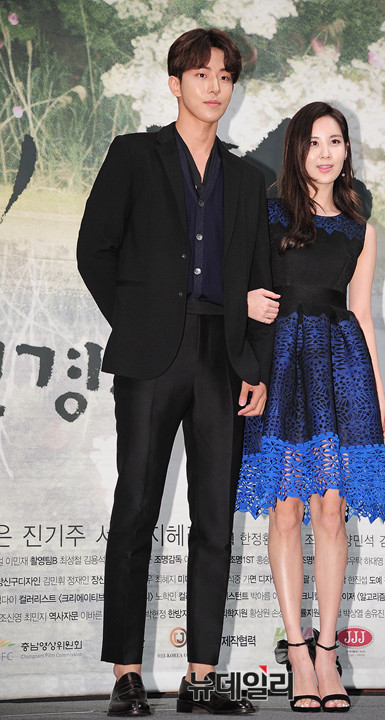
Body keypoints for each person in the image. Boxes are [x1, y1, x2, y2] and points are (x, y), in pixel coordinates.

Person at [77, 28, 274, 717]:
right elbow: (94, 250)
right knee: (135, 509)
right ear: (175, 84)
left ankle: (201, 678)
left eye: (225, 76)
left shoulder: (248, 178)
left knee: (215, 519)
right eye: (201, 75)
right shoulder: (134, 155)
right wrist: (138, 321)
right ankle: (126, 674)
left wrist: (253, 364)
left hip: (222, 357)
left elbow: (262, 281)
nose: (215, 87)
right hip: (150, 357)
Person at [238, 102, 385, 713]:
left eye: (335, 142)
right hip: (280, 365)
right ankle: (297, 653)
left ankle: (328, 654)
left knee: (332, 511)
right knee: (286, 509)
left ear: (346, 151)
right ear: (295, 149)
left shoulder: (361, 229)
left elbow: (364, 316)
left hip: (341, 368)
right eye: (313, 142)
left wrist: (377, 394)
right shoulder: (267, 215)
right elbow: (241, 288)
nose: (325, 153)